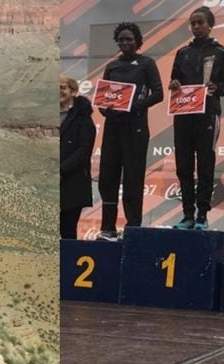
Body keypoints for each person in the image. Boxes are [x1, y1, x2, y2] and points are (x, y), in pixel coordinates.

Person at [169, 6, 224, 230]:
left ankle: (202, 216)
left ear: (210, 25)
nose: (196, 27)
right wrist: (175, 84)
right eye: (193, 23)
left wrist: (219, 87)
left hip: (208, 113)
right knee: (183, 166)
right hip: (184, 114)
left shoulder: (220, 52)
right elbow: (174, 80)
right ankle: (187, 214)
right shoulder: (182, 53)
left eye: (200, 23)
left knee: (205, 165)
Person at [97, 22, 163, 241]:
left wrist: (134, 105)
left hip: (135, 127)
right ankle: (108, 228)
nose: (125, 43)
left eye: (129, 39)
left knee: (133, 178)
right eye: (122, 39)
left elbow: (158, 94)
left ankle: (133, 228)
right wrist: (104, 108)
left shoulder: (147, 63)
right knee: (108, 177)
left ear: (137, 42)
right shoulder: (112, 66)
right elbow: (104, 98)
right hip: (113, 128)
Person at [60, 75, 95, 239]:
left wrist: (61, 169)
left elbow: (84, 150)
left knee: (67, 229)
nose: (58, 92)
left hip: (72, 182)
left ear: (73, 92)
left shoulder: (84, 118)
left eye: (62, 88)